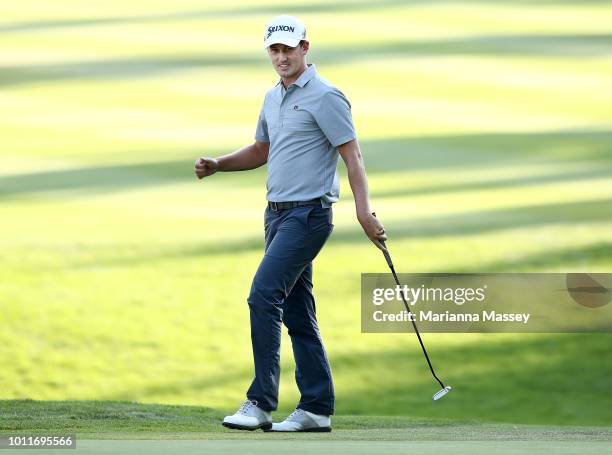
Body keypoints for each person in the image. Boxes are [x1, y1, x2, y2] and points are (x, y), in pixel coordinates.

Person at [194, 14, 387, 433]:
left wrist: (363, 211)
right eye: (274, 50)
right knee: (298, 313)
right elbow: (262, 149)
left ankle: (260, 402)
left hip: (309, 215)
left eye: (288, 49)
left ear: (305, 48)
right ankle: (317, 408)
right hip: (276, 215)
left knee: (262, 296)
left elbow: (352, 156)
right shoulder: (272, 97)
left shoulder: (326, 96)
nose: (281, 57)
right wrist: (218, 165)